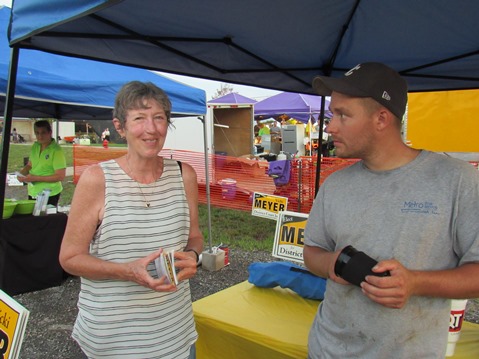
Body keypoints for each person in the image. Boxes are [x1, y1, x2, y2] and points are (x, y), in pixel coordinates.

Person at [303, 62, 479, 358]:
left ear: (381, 118)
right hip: (327, 349)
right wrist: (334, 264)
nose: (330, 126)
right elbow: (312, 252)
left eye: (343, 115)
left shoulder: (457, 181)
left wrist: (415, 283)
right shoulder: (335, 184)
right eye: (333, 114)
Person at [59, 81, 204, 359]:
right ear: (120, 126)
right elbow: (69, 257)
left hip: (175, 335)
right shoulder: (97, 180)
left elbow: (194, 236)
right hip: (113, 342)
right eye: (139, 118)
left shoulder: (184, 175)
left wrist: (192, 255)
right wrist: (127, 271)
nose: (151, 129)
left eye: (159, 117)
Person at [17, 120, 66, 206]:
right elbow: (30, 164)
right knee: (32, 218)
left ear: (50, 132)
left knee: (44, 219)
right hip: (33, 191)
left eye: (43, 133)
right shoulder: (35, 146)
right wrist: (21, 174)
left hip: (49, 193)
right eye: (37, 133)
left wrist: (34, 178)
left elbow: (60, 176)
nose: (40, 136)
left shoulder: (56, 150)